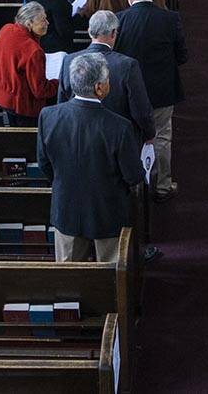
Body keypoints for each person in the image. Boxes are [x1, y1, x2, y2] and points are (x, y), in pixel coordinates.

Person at [38, 52, 143, 262]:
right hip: (108, 214)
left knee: (69, 283)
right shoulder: (120, 127)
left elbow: (44, 163)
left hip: (66, 210)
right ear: (99, 87)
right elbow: (133, 176)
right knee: (111, 280)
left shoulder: (48, 116)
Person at [115, 0, 185, 201]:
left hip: (129, 92)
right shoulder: (170, 19)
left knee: (133, 137)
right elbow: (182, 56)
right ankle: (162, 185)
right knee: (162, 138)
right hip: (162, 91)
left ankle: (136, 186)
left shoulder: (120, 20)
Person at [58, 10, 154, 142]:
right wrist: (149, 134)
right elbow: (140, 108)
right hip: (117, 138)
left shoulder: (68, 60)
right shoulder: (127, 65)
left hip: (78, 135)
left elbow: (62, 102)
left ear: (89, 31)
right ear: (113, 33)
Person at [0, 2, 59, 125]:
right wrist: (58, 83)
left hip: (2, 95)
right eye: (43, 20)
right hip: (22, 105)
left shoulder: (6, 29)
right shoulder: (33, 50)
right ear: (29, 24)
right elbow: (40, 91)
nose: (47, 23)